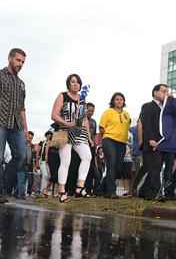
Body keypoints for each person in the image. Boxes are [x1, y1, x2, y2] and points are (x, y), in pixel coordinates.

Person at [0, 48, 29, 203]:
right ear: (10, 58)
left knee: (22, 156)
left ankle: (3, 187)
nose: (20, 64)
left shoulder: (21, 83)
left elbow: (22, 108)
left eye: (23, 61)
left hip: (16, 124)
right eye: (18, 60)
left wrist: (25, 128)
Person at [51, 74, 93, 203]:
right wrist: (68, 123)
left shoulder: (82, 99)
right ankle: (62, 191)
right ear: (68, 84)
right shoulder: (62, 96)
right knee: (66, 161)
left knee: (87, 156)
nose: (75, 84)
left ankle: (80, 187)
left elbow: (84, 119)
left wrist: (89, 137)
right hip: (64, 131)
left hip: (78, 132)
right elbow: (54, 115)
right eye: (72, 82)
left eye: (77, 82)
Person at [137, 84, 168, 199]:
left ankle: (144, 192)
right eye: (163, 91)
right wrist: (150, 139)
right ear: (155, 92)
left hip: (160, 144)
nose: (166, 94)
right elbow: (146, 123)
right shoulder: (147, 106)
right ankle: (155, 193)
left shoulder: (164, 108)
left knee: (156, 168)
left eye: (167, 92)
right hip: (150, 142)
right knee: (153, 168)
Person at [98, 92, 131, 198]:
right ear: (113, 101)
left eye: (121, 99)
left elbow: (127, 126)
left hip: (122, 142)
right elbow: (102, 128)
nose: (119, 101)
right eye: (117, 99)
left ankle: (101, 189)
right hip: (109, 140)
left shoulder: (126, 114)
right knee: (111, 163)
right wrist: (106, 138)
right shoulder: (108, 112)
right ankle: (111, 192)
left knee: (118, 168)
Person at [84, 103, 98, 196]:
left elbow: (94, 135)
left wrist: (94, 145)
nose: (91, 112)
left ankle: (88, 190)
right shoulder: (80, 120)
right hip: (81, 145)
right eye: (89, 110)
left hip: (91, 146)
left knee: (90, 169)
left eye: (92, 111)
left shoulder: (93, 121)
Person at [16, 131, 35, 199]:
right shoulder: (21, 144)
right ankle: (20, 194)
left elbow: (31, 157)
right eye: (29, 138)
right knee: (21, 179)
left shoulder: (31, 146)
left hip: (28, 165)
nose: (29, 139)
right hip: (21, 163)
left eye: (31, 138)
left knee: (23, 180)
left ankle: (17, 193)